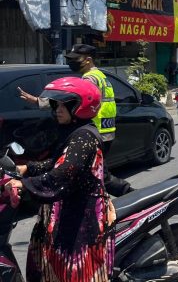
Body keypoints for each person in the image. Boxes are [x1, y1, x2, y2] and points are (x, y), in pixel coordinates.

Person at [8, 77, 113, 281]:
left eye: (64, 105)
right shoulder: (73, 133)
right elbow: (55, 163)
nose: (57, 109)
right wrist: (26, 168)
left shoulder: (83, 136)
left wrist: (25, 184)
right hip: (67, 211)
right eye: (56, 104)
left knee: (74, 273)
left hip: (81, 217)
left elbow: (65, 172)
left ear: (80, 107)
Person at [18, 44, 133, 197]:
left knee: (97, 175)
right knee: (96, 173)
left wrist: (39, 101)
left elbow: (74, 99)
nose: (72, 62)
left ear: (88, 60)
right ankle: (124, 196)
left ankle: (129, 197)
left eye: (76, 59)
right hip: (104, 131)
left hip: (91, 131)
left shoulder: (89, 78)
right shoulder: (101, 75)